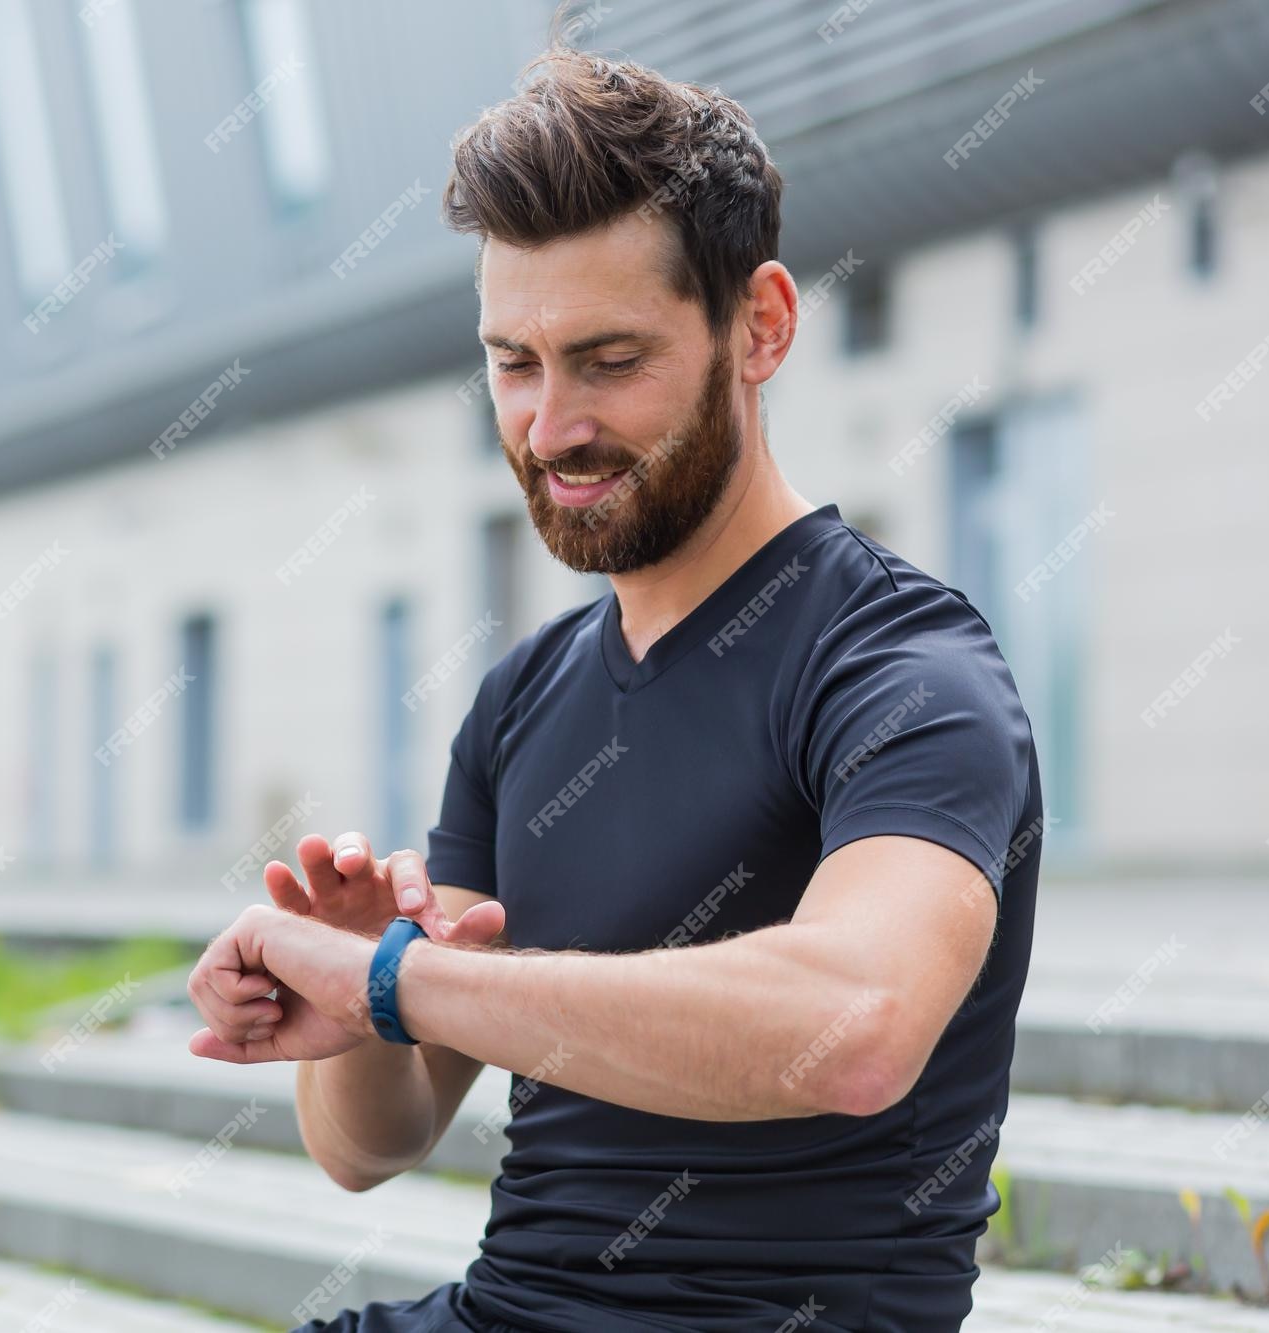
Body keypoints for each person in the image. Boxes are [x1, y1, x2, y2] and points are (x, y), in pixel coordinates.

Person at [186, 39, 1042, 1333]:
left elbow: (855, 1026)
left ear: (760, 326)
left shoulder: (904, 669)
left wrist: (400, 980)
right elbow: (373, 1142)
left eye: (608, 359)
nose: (549, 427)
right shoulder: (523, 701)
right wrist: (362, 991)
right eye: (514, 363)